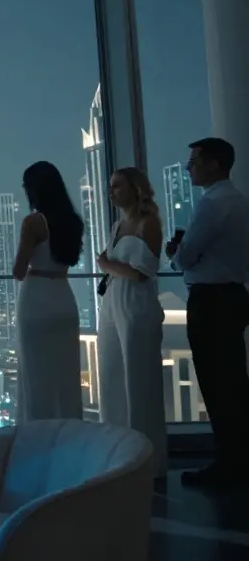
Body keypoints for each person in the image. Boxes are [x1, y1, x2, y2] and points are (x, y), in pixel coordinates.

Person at [166, 138, 249, 489]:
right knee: (232, 382)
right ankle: (236, 461)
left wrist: (176, 252)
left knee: (217, 385)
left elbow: (186, 257)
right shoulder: (238, 201)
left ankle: (229, 466)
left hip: (211, 301)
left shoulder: (213, 203)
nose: (189, 167)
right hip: (232, 297)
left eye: (194, 161)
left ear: (213, 164)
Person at [96, 167, 167, 479]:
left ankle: (144, 461)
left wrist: (106, 264)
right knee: (112, 380)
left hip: (136, 306)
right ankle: (118, 454)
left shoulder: (147, 222)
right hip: (113, 303)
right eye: (110, 187)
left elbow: (143, 271)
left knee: (139, 384)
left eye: (117, 186)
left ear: (134, 188)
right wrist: (109, 267)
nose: (112, 192)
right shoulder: (118, 225)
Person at [12, 161, 84, 422]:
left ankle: (37, 438)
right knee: (65, 376)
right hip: (64, 298)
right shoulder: (73, 221)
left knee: (35, 375)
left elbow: (18, 270)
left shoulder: (33, 222)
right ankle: (69, 436)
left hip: (36, 299)